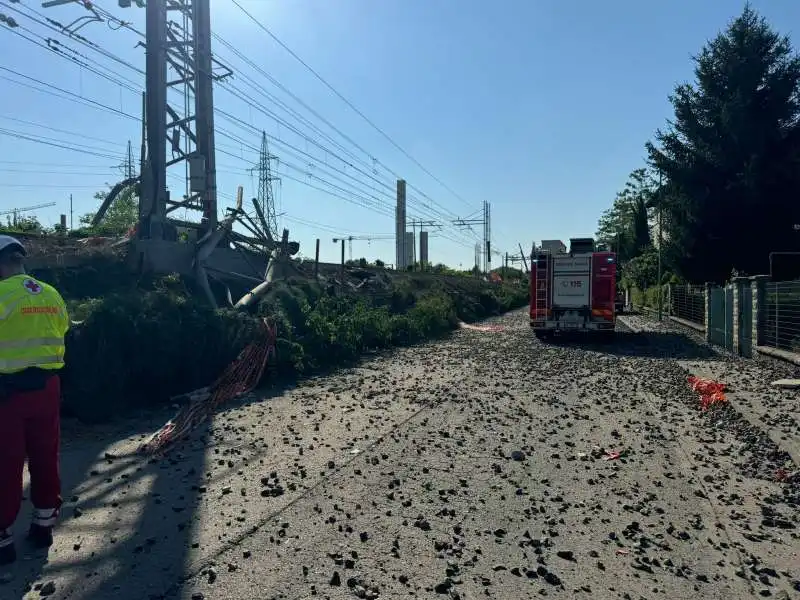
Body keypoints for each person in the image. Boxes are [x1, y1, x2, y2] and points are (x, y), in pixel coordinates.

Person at [0, 235, 70, 565]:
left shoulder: (1, 294)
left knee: (5, 462)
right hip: (47, 387)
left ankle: (2, 540)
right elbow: (63, 330)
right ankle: (43, 525)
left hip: (7, 392)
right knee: (45, 454)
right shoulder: (52, 294)